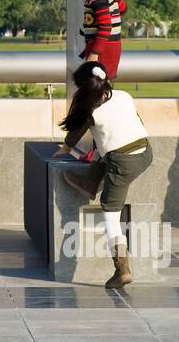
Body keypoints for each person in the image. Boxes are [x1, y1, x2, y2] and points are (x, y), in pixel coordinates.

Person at [53, 61, 153, 288]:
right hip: (145, 152)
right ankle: (90, 183)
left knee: (110, 216)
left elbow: (74, 135)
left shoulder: (91, 109)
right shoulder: (124, 95)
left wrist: (65, 150)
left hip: (123, 162)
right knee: (102, 143)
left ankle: (122, 269)